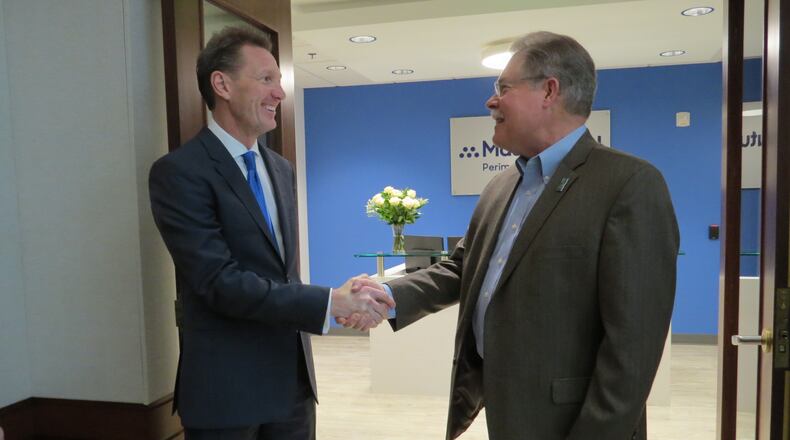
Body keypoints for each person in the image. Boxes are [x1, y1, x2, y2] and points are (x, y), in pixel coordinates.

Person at [344, 31, 679, 440]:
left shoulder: (629, 184)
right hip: (505, 409)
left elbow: (634, 349)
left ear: (549, 91)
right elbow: (465, 268)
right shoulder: (502, 186)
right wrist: (388, 296)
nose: (491, 101)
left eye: (503, 87)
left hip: (577, 423)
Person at [149, 26, 393, 440]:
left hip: (293, 388)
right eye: (266, 79)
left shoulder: (280, 169)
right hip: (226, 395)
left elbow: (280, 274)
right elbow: (219, 282)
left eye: (279, 82)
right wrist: (329, 301)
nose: (280, 93)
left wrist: (340, 302)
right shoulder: (179, 173)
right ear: (222, 84)